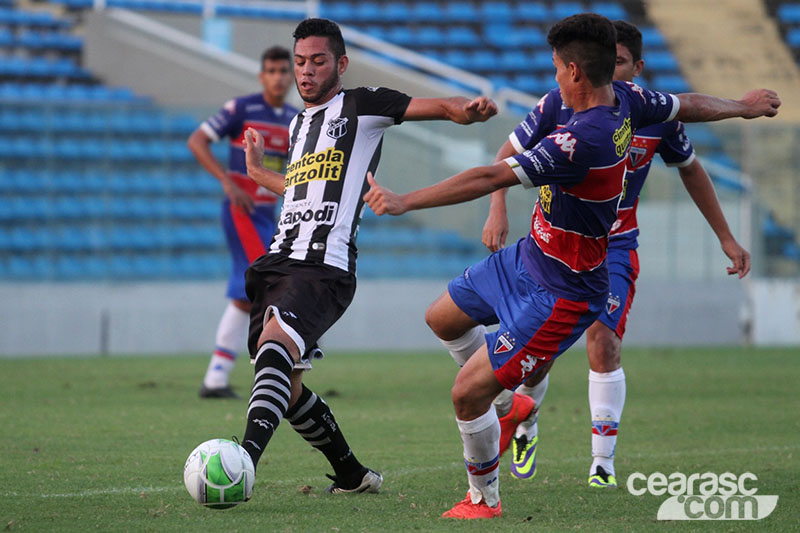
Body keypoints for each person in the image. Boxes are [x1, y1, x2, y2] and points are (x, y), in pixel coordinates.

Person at [363, 13, 779, 519]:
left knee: (466, 394)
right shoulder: (628, 99)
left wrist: (405, 201)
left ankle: (484, 499)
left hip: (562, 290)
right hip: (529, 257)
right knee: (442, 318)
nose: (554, 75)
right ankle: (512, 402)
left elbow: (486, 176)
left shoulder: (584, 140)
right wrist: (744, 106)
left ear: (576, 72)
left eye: (558, 67)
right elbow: (686, 104)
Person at [482, 20, 753, 489]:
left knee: (604, 342)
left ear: (636, 66)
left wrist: (726, 237)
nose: (615, 76)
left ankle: (602, 463)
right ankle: (525, 421)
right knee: (538, 355)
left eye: (622, 65)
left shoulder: (648, 111)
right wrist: (497, 206)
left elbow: (691, 170)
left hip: (615, 246)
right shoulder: (561, 105)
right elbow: (505, 156)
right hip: (556, 248)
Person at [234, 18, 498, 496]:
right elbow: (300, 189)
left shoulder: (362, 106)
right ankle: (354, 475)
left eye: (317, 61)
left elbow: (439, 107)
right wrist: (257, 172)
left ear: (341, 63)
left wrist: (467, 111)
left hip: (322, 266)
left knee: (275, 350)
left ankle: (242, 463)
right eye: (299, 63)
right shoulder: (297, 124)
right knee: (285, 388)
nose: (306, 72)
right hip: (275, 262)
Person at [187, 46, 297, 399]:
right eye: (272, 70)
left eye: (284, 70)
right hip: (243, 212)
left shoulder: (296, 119)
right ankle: (276, 367)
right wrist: (227, 181)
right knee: (264, 285)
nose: (279, 77)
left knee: (251, 292)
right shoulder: (242, 109)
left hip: (269, 215)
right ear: (261, 75)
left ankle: (218, 377)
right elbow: (198, 140)